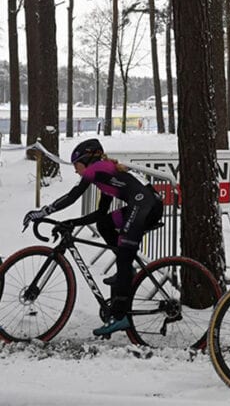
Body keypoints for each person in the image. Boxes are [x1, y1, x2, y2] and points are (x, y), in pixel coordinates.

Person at [23, 138, 163, 336]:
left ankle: (120, 316)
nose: (75, 171)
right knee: (104, 224)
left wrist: (43, 212)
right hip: (146, 205)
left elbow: (72, 196)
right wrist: (72, 222)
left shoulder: (96, 169)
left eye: (76, 165)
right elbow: (100, 214)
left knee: (124, 257)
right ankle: (126, 271)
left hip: (145, 207)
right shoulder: (105, 176)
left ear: (86, 160)